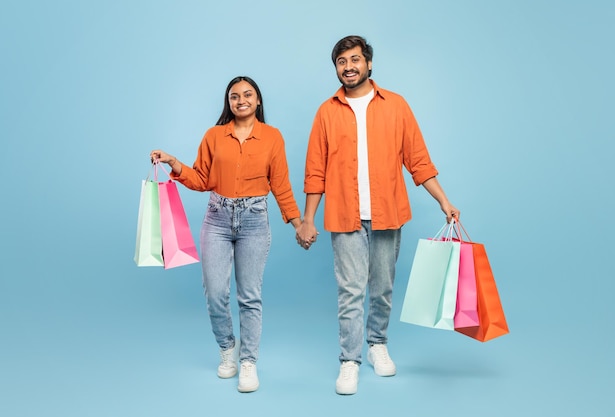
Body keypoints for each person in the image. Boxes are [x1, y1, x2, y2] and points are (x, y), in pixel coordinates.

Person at [295, 35, 460, 395]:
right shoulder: (326, 111)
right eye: (341, 61)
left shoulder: (396, 105)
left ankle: (377, 345)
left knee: (382, 288)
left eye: (355, 59)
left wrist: (443, 202)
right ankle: (349, 361)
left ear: (369, 64)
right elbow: (315, 171)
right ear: (336, 68)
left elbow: (418, 161)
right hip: (344, 216)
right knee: (350, 291)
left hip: (387, 213)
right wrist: (308, 218)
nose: (349, 66)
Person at [151, 76, 302, 393]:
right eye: (235, 96)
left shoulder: (272, 137)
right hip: (217, 218)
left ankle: (248, 362)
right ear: (228, 102)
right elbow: (201, 179)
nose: (241, 100)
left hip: (255, 219)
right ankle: (227, 348)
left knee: (249, 297)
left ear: (258, 100)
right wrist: (175, 163)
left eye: (248, 94)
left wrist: (297, 221)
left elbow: (282, 185)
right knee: (215, 293)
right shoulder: (214, 135)